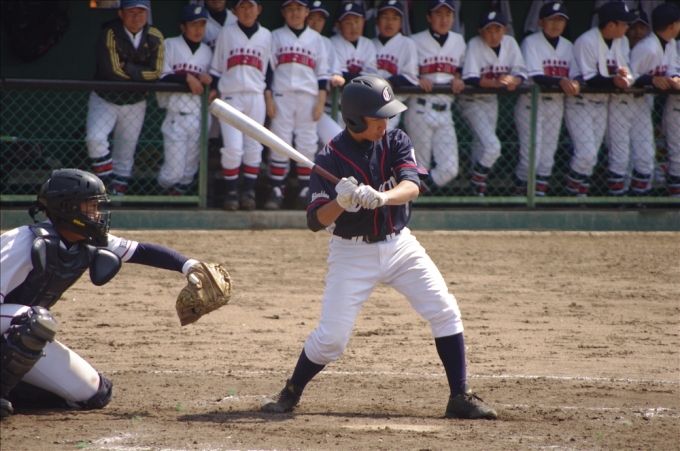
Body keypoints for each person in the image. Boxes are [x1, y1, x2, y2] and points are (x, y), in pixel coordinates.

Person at [259, 75, 498, 421]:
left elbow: (412, 186)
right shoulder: (329, 158)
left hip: (400, 245)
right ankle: (291, 391)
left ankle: (460, 395)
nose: (385, 123)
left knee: (445, 310)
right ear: (355, 119)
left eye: (388, 115)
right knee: (332, 340)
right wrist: (340, 201)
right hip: (351, 253)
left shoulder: (396, 140)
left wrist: (382, 197)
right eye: (377, 117)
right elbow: (314, 221)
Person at [0, 169, 205, 419]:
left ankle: (11, 391)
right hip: (19, 322)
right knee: (34, 321)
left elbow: (141, 251)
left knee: (94, 393)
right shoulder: (21, 243)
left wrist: (191, 266)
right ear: (68, 208)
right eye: (91, 206)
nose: (97, 214)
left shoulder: (86, 240)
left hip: (15, 329)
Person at [86, 0, 164, 196]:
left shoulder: (155, 36)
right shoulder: (110, 33)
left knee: (125, 155)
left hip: (135, 103)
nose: (137, 17)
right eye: (131, 12)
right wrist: (141, 77)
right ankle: (108, 185)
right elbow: (111, 71)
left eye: (141, 12)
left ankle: (117, 198)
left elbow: (156, 72)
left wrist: (127, 66)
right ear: (121, 13)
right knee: (95, 139)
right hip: (105, 98)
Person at [263, 0, 331, 211]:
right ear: (283, 12)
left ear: (307, 11)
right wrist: (268, 98)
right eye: (290, 9)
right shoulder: (275, 36)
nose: (295, 13)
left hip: (308, 97)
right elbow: (268, 70)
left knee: (307, 143)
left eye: (299, 9)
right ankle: (276, 189)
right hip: (281, 95)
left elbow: (322, 74)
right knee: (279, 142)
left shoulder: (316, 39)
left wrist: (321, 101)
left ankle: (305, 190)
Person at [564, 1, 636, 197]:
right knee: (586, 153)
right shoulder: (586, 41)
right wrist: (615, 81)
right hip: (581, 103)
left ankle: (579, 196)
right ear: (611, 25)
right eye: (624, 23)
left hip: (602, 103)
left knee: (592, 157)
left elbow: (628, 73)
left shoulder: (622, 41)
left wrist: (624, 78)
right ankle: (569, 195)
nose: (627, 27)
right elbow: (590, 79)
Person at [513, 1, 580, 197]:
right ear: (541, 22)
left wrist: (575, 83)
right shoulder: (530, 42)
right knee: (530, 156)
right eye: (551, 19)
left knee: (547, 156)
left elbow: (576, 75)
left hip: (556, 103)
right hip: (532, 103)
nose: (556, 24)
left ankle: (538, 196)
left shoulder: (568, 46)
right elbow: (536, 76)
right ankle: (520, 194)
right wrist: (562, 81)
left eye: (560, 20)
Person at [209, 0, 271, 211]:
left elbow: (269, 70)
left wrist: (268, 97)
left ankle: (248, 192)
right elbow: (216, 67)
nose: (246, 11)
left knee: (254, 146)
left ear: (258, 9)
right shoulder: (227, 33)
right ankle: (231, 192)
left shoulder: (266, 35)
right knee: (233, 148)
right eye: (242, 7)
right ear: (234, 10)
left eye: (250, 6)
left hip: (256, 95)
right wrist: (214, 88)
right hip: (231, 95)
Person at [460, 9, 526, 197]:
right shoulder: (474, 44)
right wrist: (495, 83)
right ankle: (477, 179)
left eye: (498, 30)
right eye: (489, 31)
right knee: (492, 147)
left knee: (480, 146)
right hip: (471, 101)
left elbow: (521, 71)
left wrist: (515, 81)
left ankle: (476, 192)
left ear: (505, 29)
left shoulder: (510, 43)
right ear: (481, 32)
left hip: (491, 101)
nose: (494, 35)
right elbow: (470, 77)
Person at [404, 0, 466, 193]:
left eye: (448, 14)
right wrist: (418, 78)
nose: (444, 19)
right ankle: (413, 197)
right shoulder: (414, 41)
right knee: (420, 165)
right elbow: (406, 71)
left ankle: (418, 190)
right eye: (438, 14)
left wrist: (458, 78)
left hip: (445, 110)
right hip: (420, 108)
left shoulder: (459, 41)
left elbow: (460, 69)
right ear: (429, 17)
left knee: (450, 169)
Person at [156, 4, 214, 196]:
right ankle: (158, 196)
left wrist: (208, 80)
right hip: (177, 115)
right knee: (173, 172)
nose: (198, 29)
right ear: (183, 26)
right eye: (193, 24)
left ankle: (174, 202)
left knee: (189, 171)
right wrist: (186, 78)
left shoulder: (208, 51)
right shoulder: (170, 44)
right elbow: (161, 75)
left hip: (200, 116)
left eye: (202, 25)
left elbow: (215, 79)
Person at [630, 3, 680, 196]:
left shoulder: (670, 44)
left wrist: (675, 78)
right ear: (673, 25)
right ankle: (623, 199)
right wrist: (651, 80)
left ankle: (638, 198)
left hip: (643, 104)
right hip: (625, 104)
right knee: (625, 157)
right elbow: (628, 77)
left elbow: (672, 69)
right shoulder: (647, 48)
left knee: (645, 156)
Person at [372, 0, 418, 132]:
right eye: (385, 17)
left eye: (395, 18)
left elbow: (411, 77)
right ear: (377, 21)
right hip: (368, 103)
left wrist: (389, 82)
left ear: (401, 22)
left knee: (381, 137)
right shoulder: (369, 44)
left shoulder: (407, 44)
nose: (390, 22)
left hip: (392, 103)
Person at [306, 0, 346, 146]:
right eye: (312, 18)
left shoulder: (326, 43)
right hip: (297, 102)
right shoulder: (296, 40)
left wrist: (336, 76)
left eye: (320, 19)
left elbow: (337, 73)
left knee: (336, 139)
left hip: (322, 105)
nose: (316, 23)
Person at [330, 2, 378, 86]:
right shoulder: (333, 43)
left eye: (357, 21)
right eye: (348, 23)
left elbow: (371, 76)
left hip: (364, 92)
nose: (354, 27)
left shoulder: (368, 44)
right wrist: (362, 80)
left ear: (363, 22)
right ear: (338, 25)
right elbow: (340, 75)